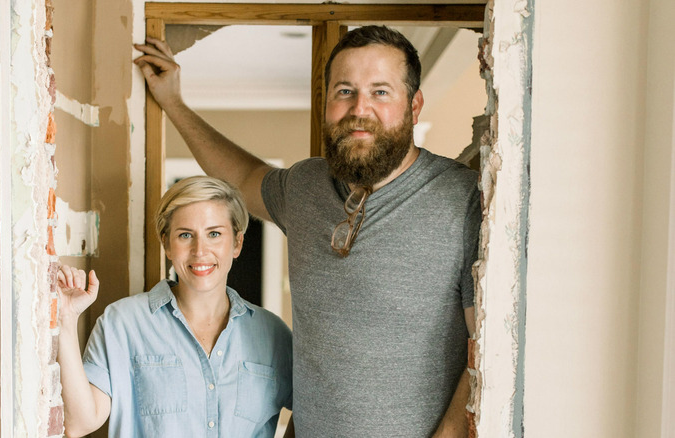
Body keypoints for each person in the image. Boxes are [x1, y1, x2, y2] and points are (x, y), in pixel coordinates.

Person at [134, 25, 481, 437]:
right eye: (345, 91)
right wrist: (173, 103)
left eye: (381, 92)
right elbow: (243, 175)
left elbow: (485, 348)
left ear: (414, 104)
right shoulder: (305, 187)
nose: (359, 109)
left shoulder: (461, 199)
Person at [56, 176, 293, 437]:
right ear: (167, 243)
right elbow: (78, 423)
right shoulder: (122, 323)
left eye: (214, 234)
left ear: (237, 243)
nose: (199, 250)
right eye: (185, 235)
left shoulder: (274, 335)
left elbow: (314, 412)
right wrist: (66, 320)